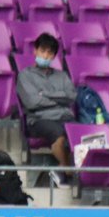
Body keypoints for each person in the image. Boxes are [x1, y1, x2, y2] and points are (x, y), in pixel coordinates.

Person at [16, 33, 75, 178]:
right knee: (59, 133)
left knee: (81, 133)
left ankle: (70, 170)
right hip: (39, 119)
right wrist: (59, 99)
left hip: (64, 116)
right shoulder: (25, 75)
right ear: (35, 51)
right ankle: (68, 170)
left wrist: (45, 94)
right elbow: (32, 102)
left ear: (54, 56)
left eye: (50, 53)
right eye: (42, 51)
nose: (46, 55)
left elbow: (71, 96)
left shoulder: (62, 75)